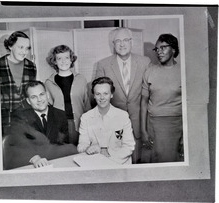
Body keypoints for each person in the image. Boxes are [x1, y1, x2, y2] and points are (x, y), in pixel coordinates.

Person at [95, 27, 151, 163]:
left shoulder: (145, 62)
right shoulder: (103, 64)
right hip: (113, 126)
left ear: (131, 42)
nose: (122, 44)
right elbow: (97, 97)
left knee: (138, 161)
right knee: (116, 162)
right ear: (113, 44)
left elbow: (150, 94)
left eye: (125, 40)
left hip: (138, 123)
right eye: (117, 41)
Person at [3, 81, 78, 170]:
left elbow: (63, 144)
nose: (39, 99)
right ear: (28, 101)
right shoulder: (20, 117)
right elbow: (16, 145)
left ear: (47, 95)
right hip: (32, 165)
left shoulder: (60, 115)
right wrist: (33, 157)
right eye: (34, 97)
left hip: (55, 162)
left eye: (42, 94)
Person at [140, 33, 183, 163]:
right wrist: (143, 131)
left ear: (173, 49)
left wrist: (185, 135)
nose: (159, 52)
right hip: (153, 125)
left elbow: (190, 106)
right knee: (152, 162)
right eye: (157, 49)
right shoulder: (150, 72)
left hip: (176, 126)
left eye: (163, 48)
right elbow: (143, 103)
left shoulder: (183, 72)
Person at [77, 77, 135, 164]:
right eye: (98, 94)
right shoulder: (86, 117)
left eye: (105, 93)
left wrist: (106, 155)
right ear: (94, 96)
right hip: (95, 165)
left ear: (111, 94)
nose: (102, 98)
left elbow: (129, 146)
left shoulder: (123, 116)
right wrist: (88, 148)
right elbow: (81, 145)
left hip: (119, 163)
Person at [45, 45, 91, 146]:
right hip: (58, 127)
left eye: (66, 57)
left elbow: (87, 103)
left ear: (71, 60)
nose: (63, 61)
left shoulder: (81, 79)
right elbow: (49, 107)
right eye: (59, 58)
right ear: (54, 61)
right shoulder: (49, 82)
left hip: (79, 124)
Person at [0, 31, 36, 132]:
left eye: (27, 48)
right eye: (21, 47)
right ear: (10, 46)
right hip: (4, 120)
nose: (24, 52)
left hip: (27, 121)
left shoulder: (31, 66)